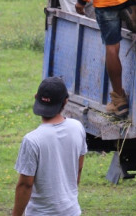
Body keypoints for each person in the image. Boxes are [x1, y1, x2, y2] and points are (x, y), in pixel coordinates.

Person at [13, 77, 88, 216]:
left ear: (36, 97)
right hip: (71, 211)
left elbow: (25, 185)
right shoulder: (77, 128)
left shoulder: (32, 140)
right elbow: (79, 169)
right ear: (65, 101)